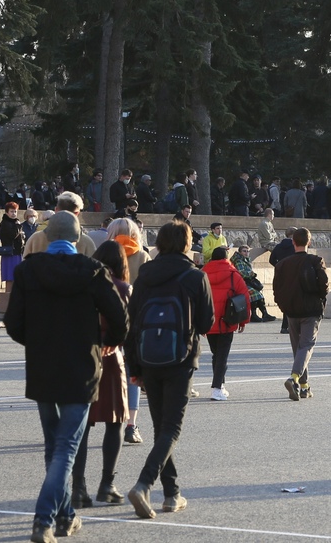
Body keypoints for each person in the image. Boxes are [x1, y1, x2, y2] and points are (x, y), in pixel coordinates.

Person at [5, 210, 128, 543]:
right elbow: (120, 319)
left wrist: (37, 342)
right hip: (82, 366)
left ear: (46, 237)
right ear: (77, 238)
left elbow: (13, 323)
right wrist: (106, 343)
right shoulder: (93, 272)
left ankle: (65, 515)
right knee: (65, 448)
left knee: (53, 446)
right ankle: (44, 519)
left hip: (44, 366)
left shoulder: (28, 270)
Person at [124, 222, 214, 520]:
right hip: (181, 359)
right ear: (187, 244)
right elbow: (206, 323)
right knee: (172, 428)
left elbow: (132, 323)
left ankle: (172, 493)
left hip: (148, 358)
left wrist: (134, 366)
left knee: (162, 428)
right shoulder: (194, 276)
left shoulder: (145, 276)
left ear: (159, 244)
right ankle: (144, 484)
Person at [70, 240, 133, 508]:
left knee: (83, 425)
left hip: (84, 353)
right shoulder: (122, 287)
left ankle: (78, 487)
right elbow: (127, 325)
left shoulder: (83, 285)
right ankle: (107, 483)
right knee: (116, 422)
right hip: (111, 355)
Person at [273, 228, 328, 399]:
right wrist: (320, 299)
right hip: (310, 309)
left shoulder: (282, 264)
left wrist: (283, 306)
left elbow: (277, 289)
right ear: (309, 242)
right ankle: (294, 377)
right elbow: (324, 285)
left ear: (293, 242)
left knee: (298, 348)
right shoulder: (315, 260)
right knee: (306, 346)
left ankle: (304, 386)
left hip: (291, 310)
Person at [202, 246, 250, 401]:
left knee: (216, 354)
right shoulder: (233, 274)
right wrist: (243, 321)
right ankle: (216, 388)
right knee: (222, 355)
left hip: (209, 321)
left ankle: (220, 385)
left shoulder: (203, 274)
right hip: (227, 320)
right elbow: (244, 298)